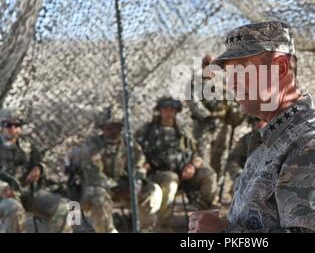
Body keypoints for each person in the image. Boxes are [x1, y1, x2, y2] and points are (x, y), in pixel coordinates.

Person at [189, 21, 315, 233]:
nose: (231, 83)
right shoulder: (278, 133)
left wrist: (225, 234)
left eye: (240, 70)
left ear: (280, 68)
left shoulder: (313, 141)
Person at [71, 106, 162, 233]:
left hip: (125, 185)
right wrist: (118, 187)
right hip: (99, 188)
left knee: (153, 190)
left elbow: (139, 162)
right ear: (102, 128)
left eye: (116, 127)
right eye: (108, 128)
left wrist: (137, 182)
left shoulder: (128, 143)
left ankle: (146, 228)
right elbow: (95, 176)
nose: (113, 131)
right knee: (99, 197)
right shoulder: (93, 145)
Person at [135, 97, 217, 229]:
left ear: (176, 111)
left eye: (172, 109)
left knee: (209, 174)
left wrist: (192, 166)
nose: (169, 112)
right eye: (165, 109)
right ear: (160, 110)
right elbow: (137, 153)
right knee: (170, 179)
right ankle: (163, 225)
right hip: (158, 173)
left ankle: (204, 219)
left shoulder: (183, 131)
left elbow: (196, 155)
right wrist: (144, 165)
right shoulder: (147, 131)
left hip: (184, 172)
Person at [0, 108, 71, 233]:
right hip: (4, 196)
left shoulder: (27, 145)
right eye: (8, 125)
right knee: (13, 209)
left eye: (17, 125)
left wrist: (39, 168)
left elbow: (41, 161)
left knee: (65, 207)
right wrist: (3, 188)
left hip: (28, 192)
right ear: (1, 126)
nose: (13, 129)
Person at [189, 54, 244, 176]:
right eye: (207, 64)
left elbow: (233, 103)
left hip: (222, 127)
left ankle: (215, 186)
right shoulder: (196, 83)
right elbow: (193, 103)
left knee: (219, 156)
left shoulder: (223, 84)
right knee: (201, 156)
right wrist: (207, 115)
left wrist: (232, 113)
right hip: (203, 126)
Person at [226, 116, 266, 195]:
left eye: (263, 120)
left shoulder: (275, 139)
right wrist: (239, 174)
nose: (259, 123)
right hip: (247, 176)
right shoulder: (245, 140)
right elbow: (233, 161)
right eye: (256, 121)